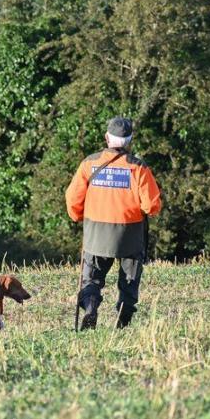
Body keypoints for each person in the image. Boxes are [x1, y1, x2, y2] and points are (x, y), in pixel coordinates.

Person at [65, 117, 162, 330]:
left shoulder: (89, 163)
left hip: (96, 233)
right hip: (129, 233)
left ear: (107, 138)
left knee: (91, 279)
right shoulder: (139, 167)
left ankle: (90, 306)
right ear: (129, 141)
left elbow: (72, 200)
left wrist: (78, 216)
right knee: (129, 280)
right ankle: (122, 322)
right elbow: (151, 206)